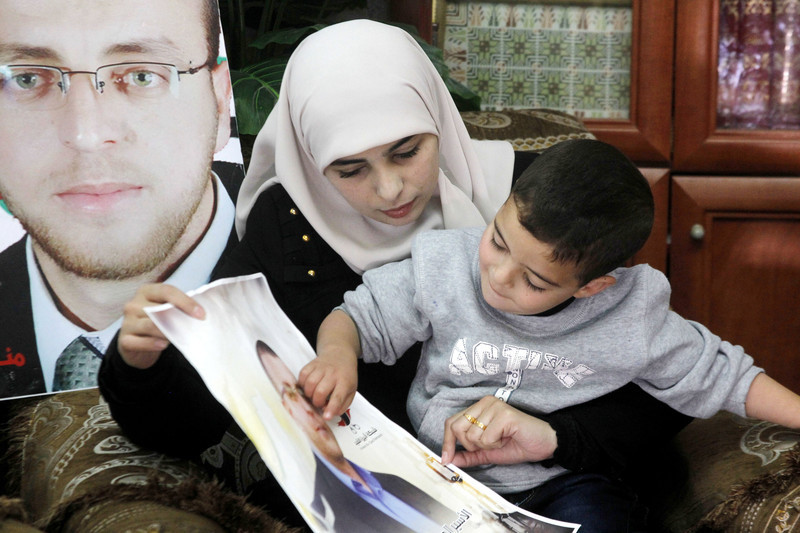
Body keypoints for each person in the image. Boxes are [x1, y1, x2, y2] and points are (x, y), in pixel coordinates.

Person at [99, 20, 690, 530]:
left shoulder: (534, 201)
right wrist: (141, 362)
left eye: (407, 152)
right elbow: (201, 420)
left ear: (437, 118)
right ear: (310, 161)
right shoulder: (285, 226)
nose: (390, 190)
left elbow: (661, 377)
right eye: (349, 169)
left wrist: (551, 434)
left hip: (552, 491)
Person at [300, 138, 800, 531]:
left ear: (592, 286)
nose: (499, 277)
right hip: (436, 474)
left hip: (563, 485)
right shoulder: (445, 265)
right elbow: (357, 316)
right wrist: (336, 355)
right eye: (498, 242)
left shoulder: (633, 315)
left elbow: (729, 377)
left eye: (535, 282)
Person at [0, 0, 236, 398]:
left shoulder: (336, 296)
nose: (86, 136)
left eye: (143, 75)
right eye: (26, 79)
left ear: (219, 100)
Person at [256, 340, 456, 533]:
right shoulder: (322, 513)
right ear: (286, 411)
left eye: (304, 392)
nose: (309, 405)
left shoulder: (393, 477)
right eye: (292, 396)